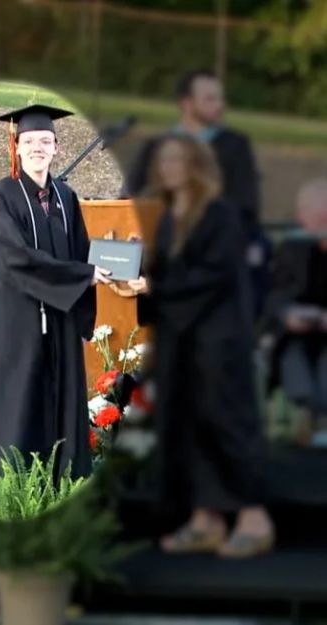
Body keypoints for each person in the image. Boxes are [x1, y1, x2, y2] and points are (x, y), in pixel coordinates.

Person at [123, 133, 274, 559]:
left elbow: (212, 277)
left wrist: (157, 284)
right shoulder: (168, 216)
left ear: (196, 164)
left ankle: (253, 516)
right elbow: (167, 277)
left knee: (225, 424)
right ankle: (206, 518)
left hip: (217, 339)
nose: (168, 167)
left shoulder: (220, 215)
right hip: (181, 341)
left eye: (176, 159)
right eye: (163, 159)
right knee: (187, 426)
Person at [0, 104, 110, 479]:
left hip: (61, 321)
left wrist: (116, 267)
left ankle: (65, 486)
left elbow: (82, 251)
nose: (38, 147)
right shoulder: (2, 197)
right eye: (30, 141)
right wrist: (83, 275)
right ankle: (15, 491)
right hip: (18, 325)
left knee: (64, 407)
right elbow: (15, 258)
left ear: (56, 148)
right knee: (21, 408)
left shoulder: (66, 198)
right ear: (17, 147)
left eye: (46, 141)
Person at [125, 69, 269, 317]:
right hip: (159, 255)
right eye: (210, 99)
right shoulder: (156, 146)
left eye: (220, 98)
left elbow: (245, 206)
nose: (220, 106)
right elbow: (133, 200)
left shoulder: (234, 147)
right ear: (187, 103)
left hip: (209, 261)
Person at [262, 178, 327, 447]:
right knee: (292, 356)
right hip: (294, 335)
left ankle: (317, 420)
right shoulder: (293, 249)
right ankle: (302, 419)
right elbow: (273, 295)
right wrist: (287, 315)